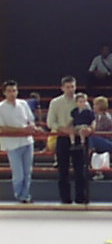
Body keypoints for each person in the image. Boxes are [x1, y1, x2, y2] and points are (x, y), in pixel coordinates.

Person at [46, 75, 87, 204]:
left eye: (72, 87)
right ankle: (65, 199)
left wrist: (87, 128)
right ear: (62, 88)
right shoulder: (55, 102)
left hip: (79, 137)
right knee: (63, 170)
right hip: (62, 138)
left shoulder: (82, 101)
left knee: (80, 170)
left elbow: (89, 118)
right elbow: (50, 122)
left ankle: (81, 198)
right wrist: (63, 129)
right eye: (68, 87)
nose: (70, 90)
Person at [0, 80, 42, 203]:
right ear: (4, 93)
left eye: (14, 90)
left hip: (27, 141)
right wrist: (22, 130)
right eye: (9, 91)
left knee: (27, 172)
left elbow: (30, 119)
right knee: (18, 174)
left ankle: (25, 195)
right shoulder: (1, 107)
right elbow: (2, 128)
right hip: (12, 144)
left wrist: (32, 127)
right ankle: (19, 195)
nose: (12, 93)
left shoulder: (23, 104)